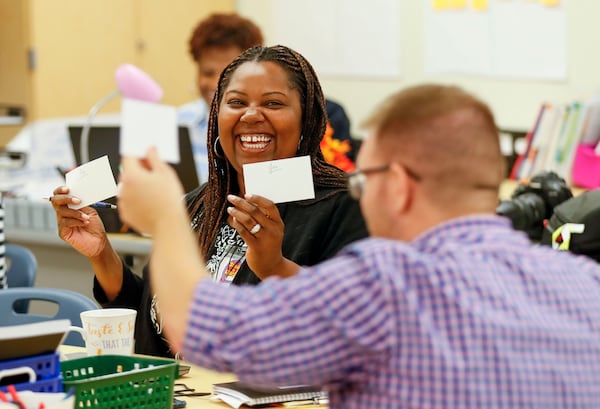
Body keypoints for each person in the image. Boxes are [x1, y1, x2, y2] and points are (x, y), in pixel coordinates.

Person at [118, 83, 600, 409]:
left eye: (364, 181)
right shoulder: (585, 282)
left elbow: (207, 329)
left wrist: (165, 216)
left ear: (400, 186)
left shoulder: (387, 281)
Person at [49, 45, 367, 358]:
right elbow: (151, 315)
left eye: (273, 103)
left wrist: (274, 266)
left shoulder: (344, 206)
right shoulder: (198, 204)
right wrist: (101, 252)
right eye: (236, 102)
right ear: (217, 118)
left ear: (306, 121)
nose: (252, 114)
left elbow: (346, 329)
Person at [178, 13, 264, 183]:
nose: (215, 84)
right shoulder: (177, 122)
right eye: (207, 73)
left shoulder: (263, 127)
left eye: (227, 73)